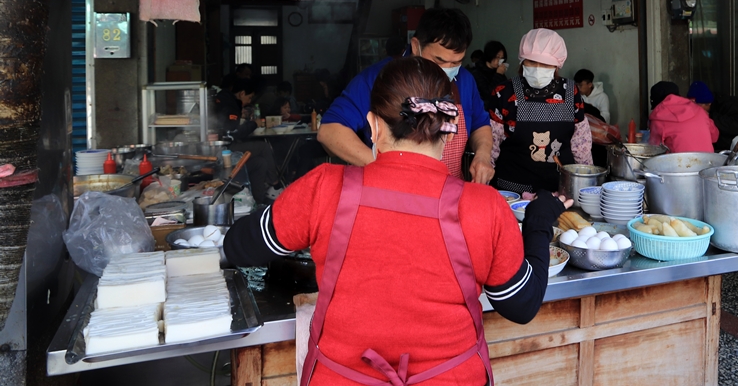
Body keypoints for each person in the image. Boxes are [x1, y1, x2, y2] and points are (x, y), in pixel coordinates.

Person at [224, 57, 571, 386]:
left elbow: (240, 248)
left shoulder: (324, 187)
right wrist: (538, 221)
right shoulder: (485, 207)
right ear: (449, 132)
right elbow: (521, 305)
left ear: (373, 125)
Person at [318, 8, 495, 184]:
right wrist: (382, 168)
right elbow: (330, 132)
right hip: (389, 193)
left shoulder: (465, 80)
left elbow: (480, 125)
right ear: (416, 45)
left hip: (448, 199)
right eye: (439, 61)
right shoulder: (379, 78)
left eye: (456, 62)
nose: (447, 68)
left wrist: (483, 155)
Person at [490, 29, 593, 194]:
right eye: (531, 62)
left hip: (559, 191)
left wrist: (587, 185)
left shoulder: (570, 91)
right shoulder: (504, 92)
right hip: (513, 192)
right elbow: (491, 144)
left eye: (545, 64)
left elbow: (581, 144)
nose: (538, 69)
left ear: (556, 65)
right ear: (522, 61)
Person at [212, 78, 281, 203]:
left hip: (228, 146)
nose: (248, 101)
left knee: (260, 163)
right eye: (249, 98)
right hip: (225, 149)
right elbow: (234, 132)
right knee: (263, 147)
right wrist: (254, 124)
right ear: (242, 93)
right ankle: (275, 184)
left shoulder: (227, 99)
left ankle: (258, 201)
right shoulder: (229, 104)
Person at [648, 81, 718, 152]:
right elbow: (715, 136)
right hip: (708, 161)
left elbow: (654, 149)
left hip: (679, 162)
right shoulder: (699, 110)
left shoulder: (658, 118)